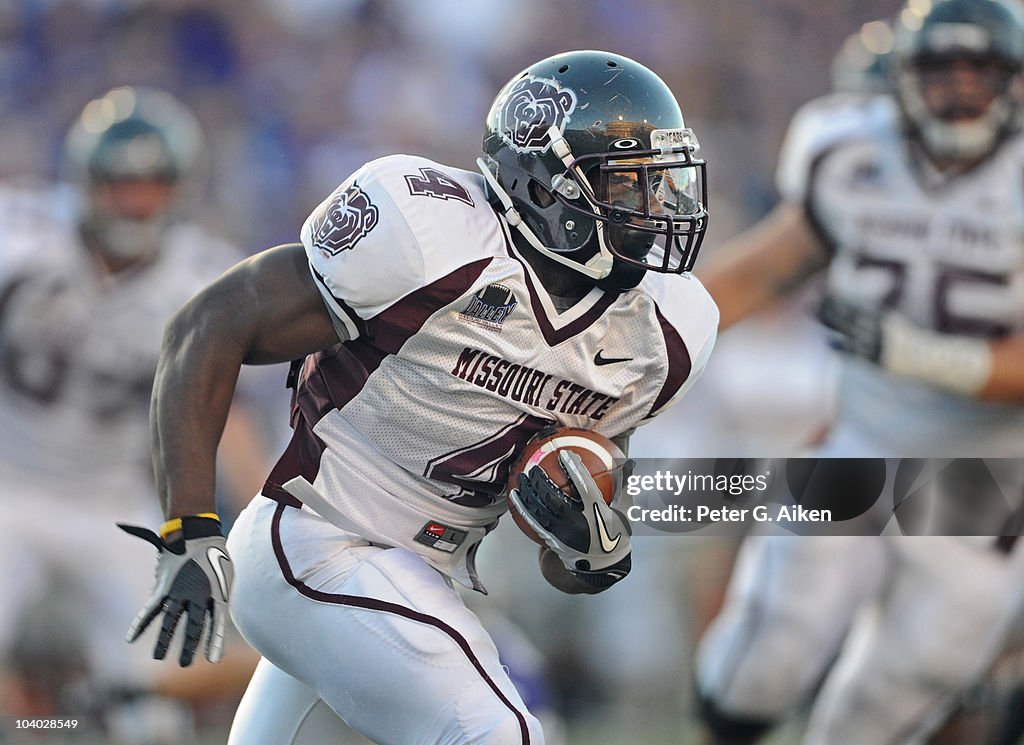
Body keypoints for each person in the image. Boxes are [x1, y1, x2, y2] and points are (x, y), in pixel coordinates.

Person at [119, 49, 719, 745]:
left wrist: (594, 546)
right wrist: (188, 529)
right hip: (318, 538)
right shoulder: (433, 236)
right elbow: (208, 324)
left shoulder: (662, 333)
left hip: (423, 578)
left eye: (661, 188)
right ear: (546, 186)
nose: (655, 213)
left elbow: (567, 545)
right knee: (502, 733)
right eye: (626, 189)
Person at [691, 1, 1024, 744]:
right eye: (941, 68)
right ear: (903, 76)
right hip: (862, 440)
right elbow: (765, 268)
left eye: (983, 69)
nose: (961, 89)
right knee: (772, 641)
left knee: (899, 688)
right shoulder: (850, 152)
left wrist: (915, 353)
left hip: (983, 481)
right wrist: (654, 339)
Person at [0, 86, 267, 743]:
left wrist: (266, 519)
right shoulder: (21, 239)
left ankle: (57, 715)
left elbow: (224, 414)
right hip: (9, 482)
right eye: (120, 182)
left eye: (151, 183)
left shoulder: (196, 278)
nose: (135, 200)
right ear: (86, 180)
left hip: (113, 503)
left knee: (151, 711)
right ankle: (36, 718)